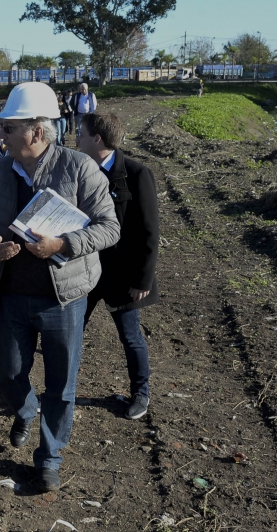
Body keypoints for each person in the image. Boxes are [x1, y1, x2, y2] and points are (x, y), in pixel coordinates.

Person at [0, 82, 119, 493]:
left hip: (64, 298)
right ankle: (26, 408)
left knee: (62, 383)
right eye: (2, 127)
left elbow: (110, 228)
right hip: (11, 293)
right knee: (7, 369)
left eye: (8, 127)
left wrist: (64, 245)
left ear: (37, 131)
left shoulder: (79, 168)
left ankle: (49, 456)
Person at [76, 113, 158, 420]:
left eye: (81, 134)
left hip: (122, 276)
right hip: (84, 270)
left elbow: (150, 231)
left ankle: (141, 393)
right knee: (71, 332)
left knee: (130, 336)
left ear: (97, 139)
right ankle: (64, 390)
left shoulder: (136, 174)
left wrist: (143, 279)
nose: (76, 139)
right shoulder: (80, 170)